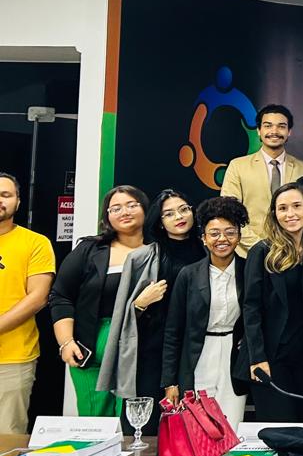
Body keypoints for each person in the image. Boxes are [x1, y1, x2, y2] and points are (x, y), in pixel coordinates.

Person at [98, 189, 203, 434]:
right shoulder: (142, 257)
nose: (179, 217)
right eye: (169, 213)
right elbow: (124, 316)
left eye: (184, 209)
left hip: (195, 347)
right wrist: (140, 302)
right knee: (144, 424)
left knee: (193, 426)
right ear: (160, 222)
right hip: (152, 349)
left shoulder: (208, 251)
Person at [51, 185, 149, 417]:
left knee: (133, 421)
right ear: (107, 216)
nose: (124, 212)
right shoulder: (90, 249)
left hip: (141, 348)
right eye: (115, 208)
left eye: (131, 205)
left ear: (145, 209)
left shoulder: (159, 252)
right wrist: (66, 342)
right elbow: (61, 295)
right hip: (91, 343)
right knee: (94, 420)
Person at [162, 197, 250, 425]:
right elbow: (173, 331)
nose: (222, 239)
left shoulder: (249, 271)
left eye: (230, 232)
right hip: (198, 356)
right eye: (214, 233)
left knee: (232, 426)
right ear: (203, 237)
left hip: (234, 358)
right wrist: (170, 381)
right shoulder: (188, 275)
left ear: (239, 236)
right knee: (199, 429)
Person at [242, 183, 303, 422]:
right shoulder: (262, 252)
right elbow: (251, 308)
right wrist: (257, 358)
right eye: (283, 208)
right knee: (280, 428)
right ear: (274, 214)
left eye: (296, 206)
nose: (290, 214)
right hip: (272, 357)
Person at [0, 172, 54, 434]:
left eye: (5, 195)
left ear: (18, 202)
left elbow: (38, 297)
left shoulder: (35, 243)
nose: (0, 200)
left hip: (12, 358)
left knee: (6, 437)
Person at [220, 104, 303, 256]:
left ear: (289, 131)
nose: (274, 131)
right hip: (249, 253)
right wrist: (260, 247)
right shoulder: (238, 166)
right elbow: (229, 212)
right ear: (259, 130)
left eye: (281, 126)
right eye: (268, 126)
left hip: (293, 253)